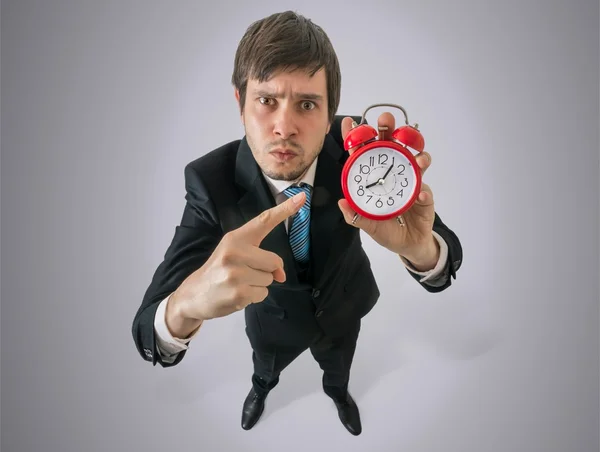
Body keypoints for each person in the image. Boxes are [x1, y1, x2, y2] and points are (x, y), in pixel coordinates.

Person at [131, 10, 463, 436]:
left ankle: (340, 395)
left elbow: (445, 255)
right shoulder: (210, 181)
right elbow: (147, 330)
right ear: (240, 103)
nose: (284, 127)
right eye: (266, 100)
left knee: (338, 368)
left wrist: (420, 251)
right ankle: (261, 390)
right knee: (264, 370)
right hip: (272, 323)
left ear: (330, 116)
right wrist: (185, 306)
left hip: (345, 306)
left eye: (307, 104)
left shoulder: (361, 155)